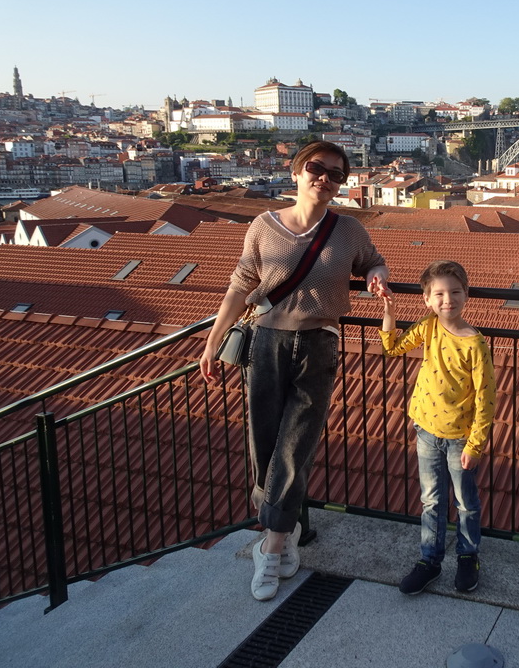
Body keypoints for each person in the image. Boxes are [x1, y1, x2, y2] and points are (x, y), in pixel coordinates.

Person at [200, 141, 389, 602]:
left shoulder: (348, 229)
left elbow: (373, 260)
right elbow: (240, 287)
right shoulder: (263, 227)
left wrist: (376, 274)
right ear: (296, 173)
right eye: (316, 168)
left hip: (319, 343)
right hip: (266, 341)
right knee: (264, 440)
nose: (324, 178)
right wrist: (211, 342)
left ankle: (273, 543)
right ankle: (281, 535)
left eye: (336, 174)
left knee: (297, 442)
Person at [379, 260, 495, 594]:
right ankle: (429, 560)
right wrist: (389, 309)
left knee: (465, 502)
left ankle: (467, 556)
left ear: (466, 295)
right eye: (440, 294)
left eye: (455, 292)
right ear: (428, 299)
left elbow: (487, 398)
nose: (448, 300)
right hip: (426, 431)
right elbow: (392, 347)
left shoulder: (475, 343)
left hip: (461, 438)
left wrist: (476, 444)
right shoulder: (428, 327)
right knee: (431, 500)